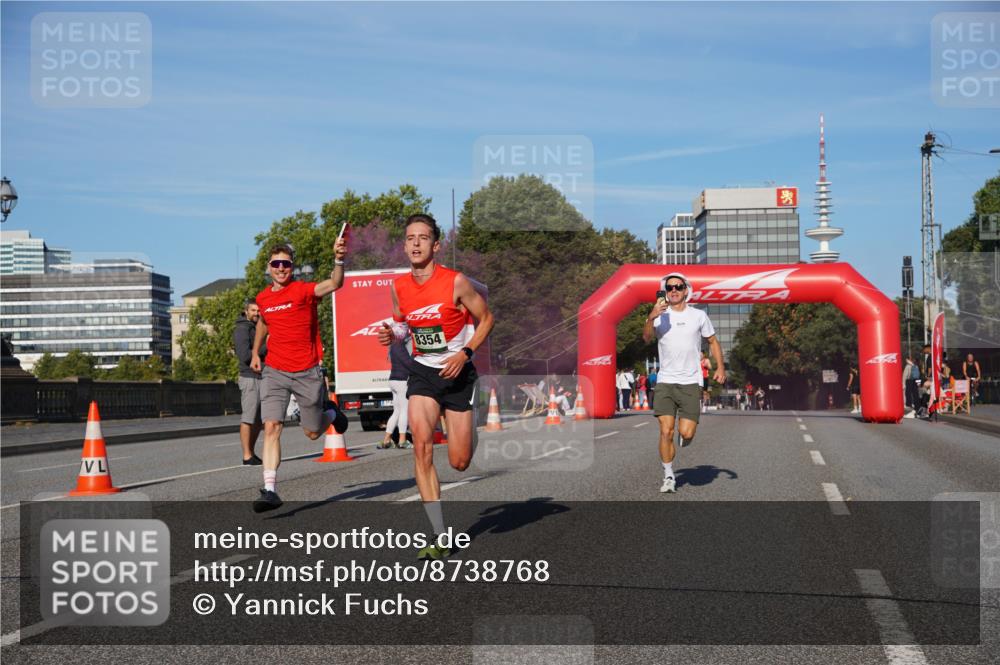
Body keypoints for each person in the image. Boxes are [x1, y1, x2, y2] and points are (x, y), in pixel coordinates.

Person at [377, 214, 494, 560]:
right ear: (404, 245)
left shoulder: (455, 282)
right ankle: (440, 535)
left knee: (459, 462)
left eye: (423, 238)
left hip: (457, 374)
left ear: (436, 245)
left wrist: (465, 352)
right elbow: (402, 327)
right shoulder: (398, 286)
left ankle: (467, 429)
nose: (415, 244)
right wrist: (391, 334)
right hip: (424, 375)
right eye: (410, 238)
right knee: (421, 448)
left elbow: (486, 318)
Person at [249, 239, 349, 513]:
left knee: (313, 432)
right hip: (275, 370)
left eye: (286, 264)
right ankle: (270, 490)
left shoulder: (304, 291)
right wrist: (257, 352)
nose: (281, 268)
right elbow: (264, 324)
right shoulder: (263, 299)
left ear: (292, 267)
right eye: (276, 264)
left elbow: (335, 283)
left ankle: (330, 414)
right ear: (268, 268)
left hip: (306, 370)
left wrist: (338, 259)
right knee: (271, 427)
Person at [643, 272, 725, 494]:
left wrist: (720, 367)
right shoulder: (659, 314)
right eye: (669, 288)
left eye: (678, 287)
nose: (674, 290)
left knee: (686, 433)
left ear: (686, 290)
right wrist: (651, 317)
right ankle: (669, 475)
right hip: (666, 382)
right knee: (665, 431)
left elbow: (713, 342)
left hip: (690, 382)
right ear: (665, 292)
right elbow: (647, 338)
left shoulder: (698, 316)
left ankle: (684, 437)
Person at [233, 298, 265, 465]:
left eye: (259, 311)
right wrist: (268, 345)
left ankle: (251, 452)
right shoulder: (242, 329)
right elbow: (245, 356)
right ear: (246, 311)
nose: (257, 314)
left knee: (258, 420)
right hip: (249, 377)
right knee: (249, 417)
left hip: (262, 376)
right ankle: (246, 455)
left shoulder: (257, 328)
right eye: (253, 311)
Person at [381, 336, 414, 449]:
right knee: (404, 410)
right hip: (402, 381)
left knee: (397, 412)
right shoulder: (398, 345)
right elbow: (408, 363)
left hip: (394, 380)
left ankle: (386, 440)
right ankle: (402, 440)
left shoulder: (393, 346)